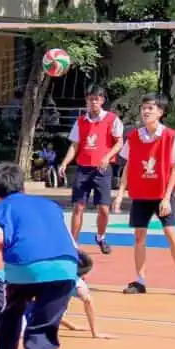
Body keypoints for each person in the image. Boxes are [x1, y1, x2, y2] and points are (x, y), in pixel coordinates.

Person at [0, 161, 80, 349]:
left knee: (11, 315)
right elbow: (69, 239)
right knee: (43, 327)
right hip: (65, 267)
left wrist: (1, 242)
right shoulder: (51, 206)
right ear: (23, 186)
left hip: (23, 268)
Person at [111, 94, 175, 297]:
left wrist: (167, 197)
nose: (146, 111)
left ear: (161, 112)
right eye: (143, 107)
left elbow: (174, 170)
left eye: (150, 108)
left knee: (170, 233)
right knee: (139, 236)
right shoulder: (133, 136)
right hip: (140, 194)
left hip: (161, 194)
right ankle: (140, 280)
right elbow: (128, 166)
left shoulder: (171, 136)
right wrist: (120, 194)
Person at [58, 85, 124, 255]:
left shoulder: (112, 119)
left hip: (102, 169)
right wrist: (65, 162)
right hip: (83, 169)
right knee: (78, 207)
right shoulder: (81, 121)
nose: (93, 102)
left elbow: (119, 143)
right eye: (90, 99)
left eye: (97, 99)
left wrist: (107, 157)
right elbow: (75, 145)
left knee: (103, 209)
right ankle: (73, 243)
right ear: (86, 100)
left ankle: (101, 237)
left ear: (102, 101)